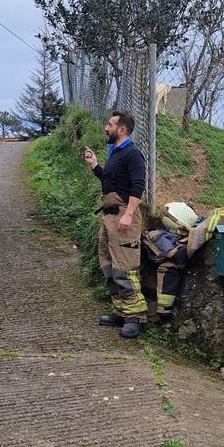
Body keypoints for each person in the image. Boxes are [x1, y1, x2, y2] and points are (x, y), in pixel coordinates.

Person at [83, 111, 148, 338]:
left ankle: (134, 317)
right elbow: (110, 183)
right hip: (109, 217)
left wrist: (129, 214)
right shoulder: (115, 153)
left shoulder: (132, 154)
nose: (105, 128)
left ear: (122, 129)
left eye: (109, 124)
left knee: (124, 267)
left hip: (123, 218)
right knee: (109, 266)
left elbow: (138, 186)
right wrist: (95, 167)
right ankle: (121, 311)